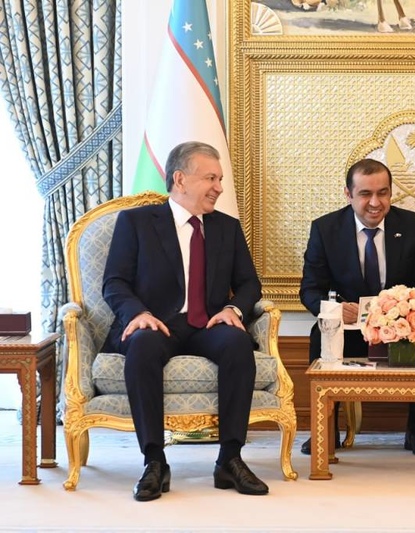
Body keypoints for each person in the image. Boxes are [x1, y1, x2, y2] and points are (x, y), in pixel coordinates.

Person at [102, 141, 268, 501]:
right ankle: (154, 462)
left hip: (207, 323)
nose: (219, 188)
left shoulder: (227, 227)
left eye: (220, 179)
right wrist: (138, 314)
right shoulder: (137, 222)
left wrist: (233, 309)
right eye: (211, 178)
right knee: (143, 346)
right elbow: (114, 281)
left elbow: (249, 283)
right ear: (180, 179)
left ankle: (230, 459)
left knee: (237, 343)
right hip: (158, 323)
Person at [300, 158, 415, 456]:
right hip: (349, 329)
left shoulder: (414, 227)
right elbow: (309, 290)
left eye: (383, 193)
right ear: (348, 194)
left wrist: (405, 306)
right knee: (320, 334)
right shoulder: (325, 229)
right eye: (365, 194)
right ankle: (326, 428)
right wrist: (335, 309)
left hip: (400, 330)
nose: (375, 203)